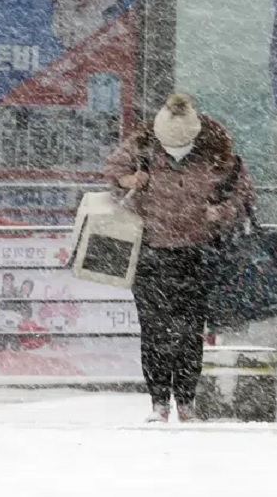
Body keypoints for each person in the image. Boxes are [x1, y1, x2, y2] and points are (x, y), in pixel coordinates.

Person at [104, 93, 253, 423]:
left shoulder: (218, 150)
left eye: (182, 147)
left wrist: (221, 212)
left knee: (190, 332)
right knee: (154, 331)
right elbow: (112, 172)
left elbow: (242, 194)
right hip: (150, 251)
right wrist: (129, 179)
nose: (174, 152)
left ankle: (185, 400)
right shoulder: (143, 143)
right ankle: (159, 401)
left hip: (198, 253)